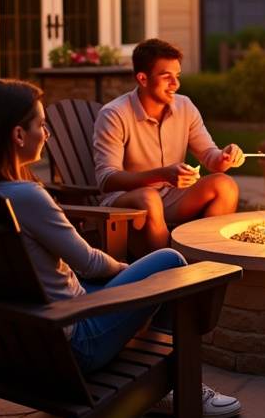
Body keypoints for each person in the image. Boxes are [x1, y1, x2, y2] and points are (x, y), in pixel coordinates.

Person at [0, 79, 241, 418]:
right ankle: (169, 385)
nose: (46, 133)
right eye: (41, 125)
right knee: (170, 263)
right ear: (18, 136)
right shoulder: (27, 197)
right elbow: (90, 263)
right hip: (73, 343)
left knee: (135, 280)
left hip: (8, 341)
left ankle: (153, 366)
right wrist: (130, 275)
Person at [94, 38, 244, 256]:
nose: (176, 84)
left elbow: (211, 157)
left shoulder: (185, 107)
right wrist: (162, 174)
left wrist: (225, 156)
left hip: (172, 197)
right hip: (125, 200)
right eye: (167, 77)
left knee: (225, 185)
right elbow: (107, 180)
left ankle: (205, 259)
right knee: (149, 197)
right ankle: (167, 272)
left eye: (177, 76)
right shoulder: (114, 115)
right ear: (143, 79)